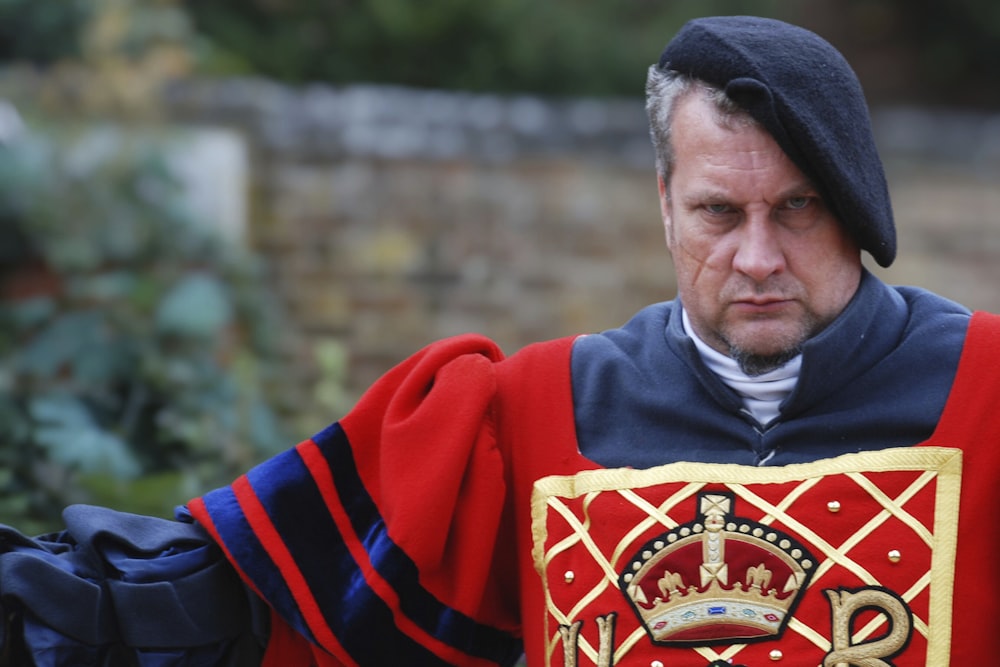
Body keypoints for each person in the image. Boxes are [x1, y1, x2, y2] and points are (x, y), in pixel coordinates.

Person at [1, 14, 997, 667]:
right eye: (716, 210)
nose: (754, 254)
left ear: (859, 206)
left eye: (798, 207)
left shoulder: (986, 393)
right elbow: (254, 595)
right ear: (663, 206)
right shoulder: (528, 410)